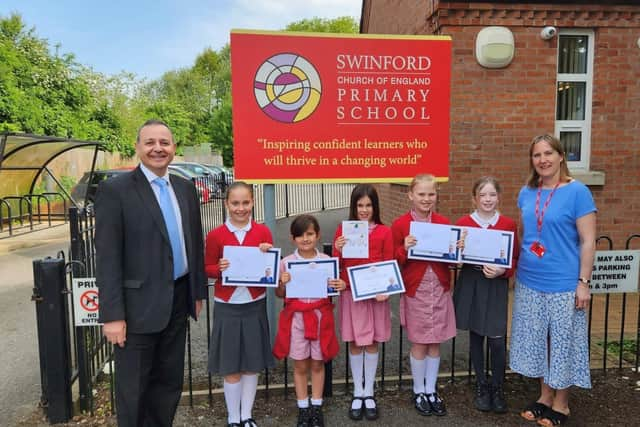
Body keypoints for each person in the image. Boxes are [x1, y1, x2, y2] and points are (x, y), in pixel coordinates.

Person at [95, 119, 207, 427]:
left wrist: (197, 291)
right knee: (134, 390)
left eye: (164, 142)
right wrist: (112, 315)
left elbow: (194, 241)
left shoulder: (184, 188)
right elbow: (107, 258)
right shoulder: (114, 191)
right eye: (150, 142)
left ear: (173, 148)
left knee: (168, 385)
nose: (158, 148)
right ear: (138, 147)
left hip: (178, 299)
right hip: (135, 311)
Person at [509, 134, 596, 426]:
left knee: (562, 342)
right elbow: (524, 234)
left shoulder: (578, 192)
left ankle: (562, 404)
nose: (543, 160)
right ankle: (544, 397)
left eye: (548, 153)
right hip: (531, 281)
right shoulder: (526, 192)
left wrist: (583, 282)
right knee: (539, 340)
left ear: (561, 156)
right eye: (537, 155)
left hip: (564, 282)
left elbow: (588, 241)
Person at [205, 182, 275, 427]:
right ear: (226, 204)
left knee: (251, 364)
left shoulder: (263, 233)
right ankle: (233, 418)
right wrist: (219, 269)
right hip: (228, 305)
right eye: (235, 203)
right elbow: (207, 268)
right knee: (231, 365)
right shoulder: (216, 236)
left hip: (254, 304)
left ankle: (247, 415)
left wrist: (268, 255)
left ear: (253, 202)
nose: (241, 208)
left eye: (245, 202)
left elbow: (269, 271)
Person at [391, 173, 456, 417]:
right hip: (416, 290)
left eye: (431, 194)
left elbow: (450, 261)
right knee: (419, 342)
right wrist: (404, 248)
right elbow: (393, 260)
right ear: (411, 195)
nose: (426, 199)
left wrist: (455, 249)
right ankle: (418, 390)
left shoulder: (442, 221)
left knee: (435, 342)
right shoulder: (400, 225)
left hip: (438, 288)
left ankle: (431, 389)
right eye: (421, 194)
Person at [453, 176, 519, 413]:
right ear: (474, 199)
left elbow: (514, 258)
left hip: (495, 285)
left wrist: (503, 270)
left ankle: (497, 386)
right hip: (472, 282)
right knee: (476, 335)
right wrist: (457, 252)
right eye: (483, 195)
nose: (488, 199)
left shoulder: (508, 224)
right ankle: (482, 385)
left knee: (497, 340)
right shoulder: (463, 223)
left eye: (492, 194)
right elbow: (453, 259)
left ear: (498, 197)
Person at [273, 214, 345, 427]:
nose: (305, 239)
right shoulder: (286, 263)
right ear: (292, 238)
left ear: (318, 235)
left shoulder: (326, 261)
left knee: (317, 363)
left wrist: (338, 284)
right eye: (300, 235)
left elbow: (333, 289)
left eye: (310, 234)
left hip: (320, 318)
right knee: (300, 365)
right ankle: (303, 407)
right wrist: (282, 283)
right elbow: (279, 294)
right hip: (297, 319)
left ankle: (316, 405)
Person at [333, 184, 393, 421]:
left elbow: (389, 264)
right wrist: (337, 250)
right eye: (360, 205)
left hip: (376, 295)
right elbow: (338, 266)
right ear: (354, 206)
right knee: (357, 342)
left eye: (369, 205)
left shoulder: (384, 232)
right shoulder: (344, 230)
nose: (364, 210)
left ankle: (369, 392)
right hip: (352, 293)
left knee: (372, 343)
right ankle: (358, 390)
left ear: (374, 207)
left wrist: (387, 289)